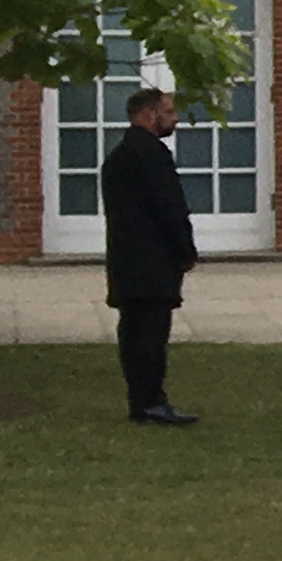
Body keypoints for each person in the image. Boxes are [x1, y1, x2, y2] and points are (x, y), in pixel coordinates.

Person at [100, 88, 201, 425]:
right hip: (154, 261)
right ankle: (152, 401)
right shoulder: (153, 155)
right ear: (148, 115)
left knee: (131, 332)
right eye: (168, 112)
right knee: (151, 336)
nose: (174, 119)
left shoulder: (117, 157)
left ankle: (139, 400)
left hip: (126, 259)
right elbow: (169, 207)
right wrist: (185, 250)